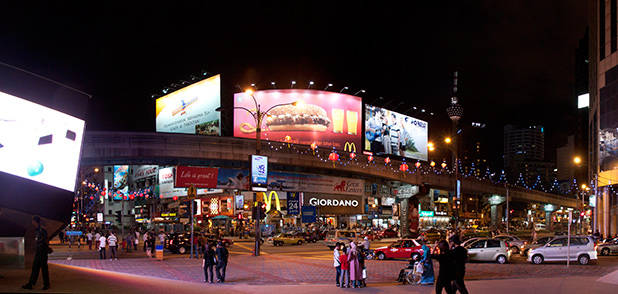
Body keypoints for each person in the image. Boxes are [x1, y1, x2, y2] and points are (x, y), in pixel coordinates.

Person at [22, 216, 50, 290]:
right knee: (35, 268)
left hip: (42, 251)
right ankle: (31, 284)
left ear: (35, 221)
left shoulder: (41, 230)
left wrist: (42, 247)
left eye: (33, 221)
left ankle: (46, 284)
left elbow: (44, 240)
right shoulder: (38, 229)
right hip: (39, 251)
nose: (32, 222)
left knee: (43, 268)